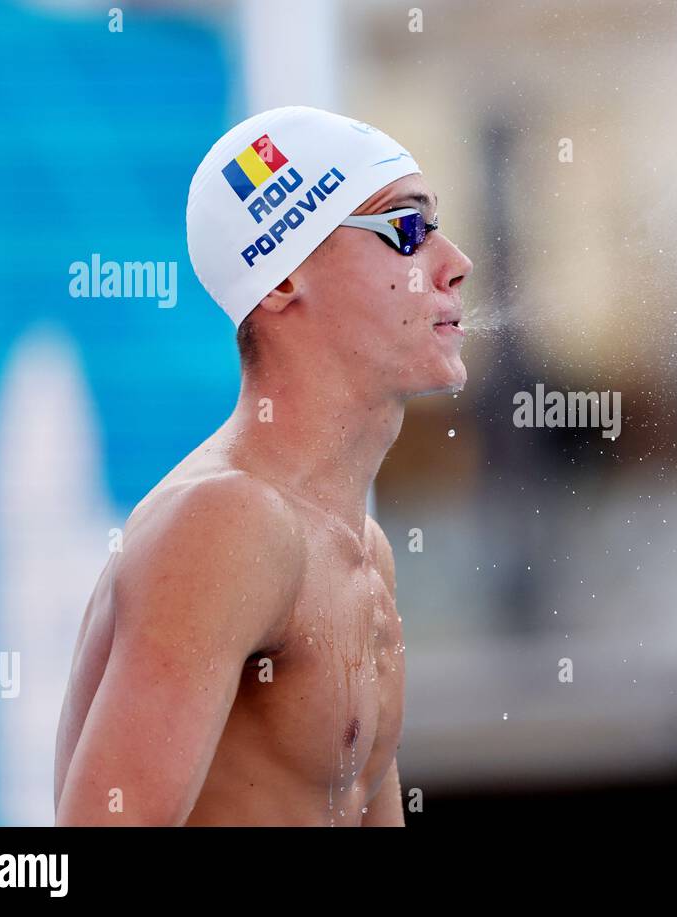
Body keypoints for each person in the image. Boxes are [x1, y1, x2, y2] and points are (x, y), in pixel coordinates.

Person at [53, 106, 472, 826]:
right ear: (281, 279)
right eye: (407, 229)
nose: (453, 262)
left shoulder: (357, 546)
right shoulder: (224, 524)